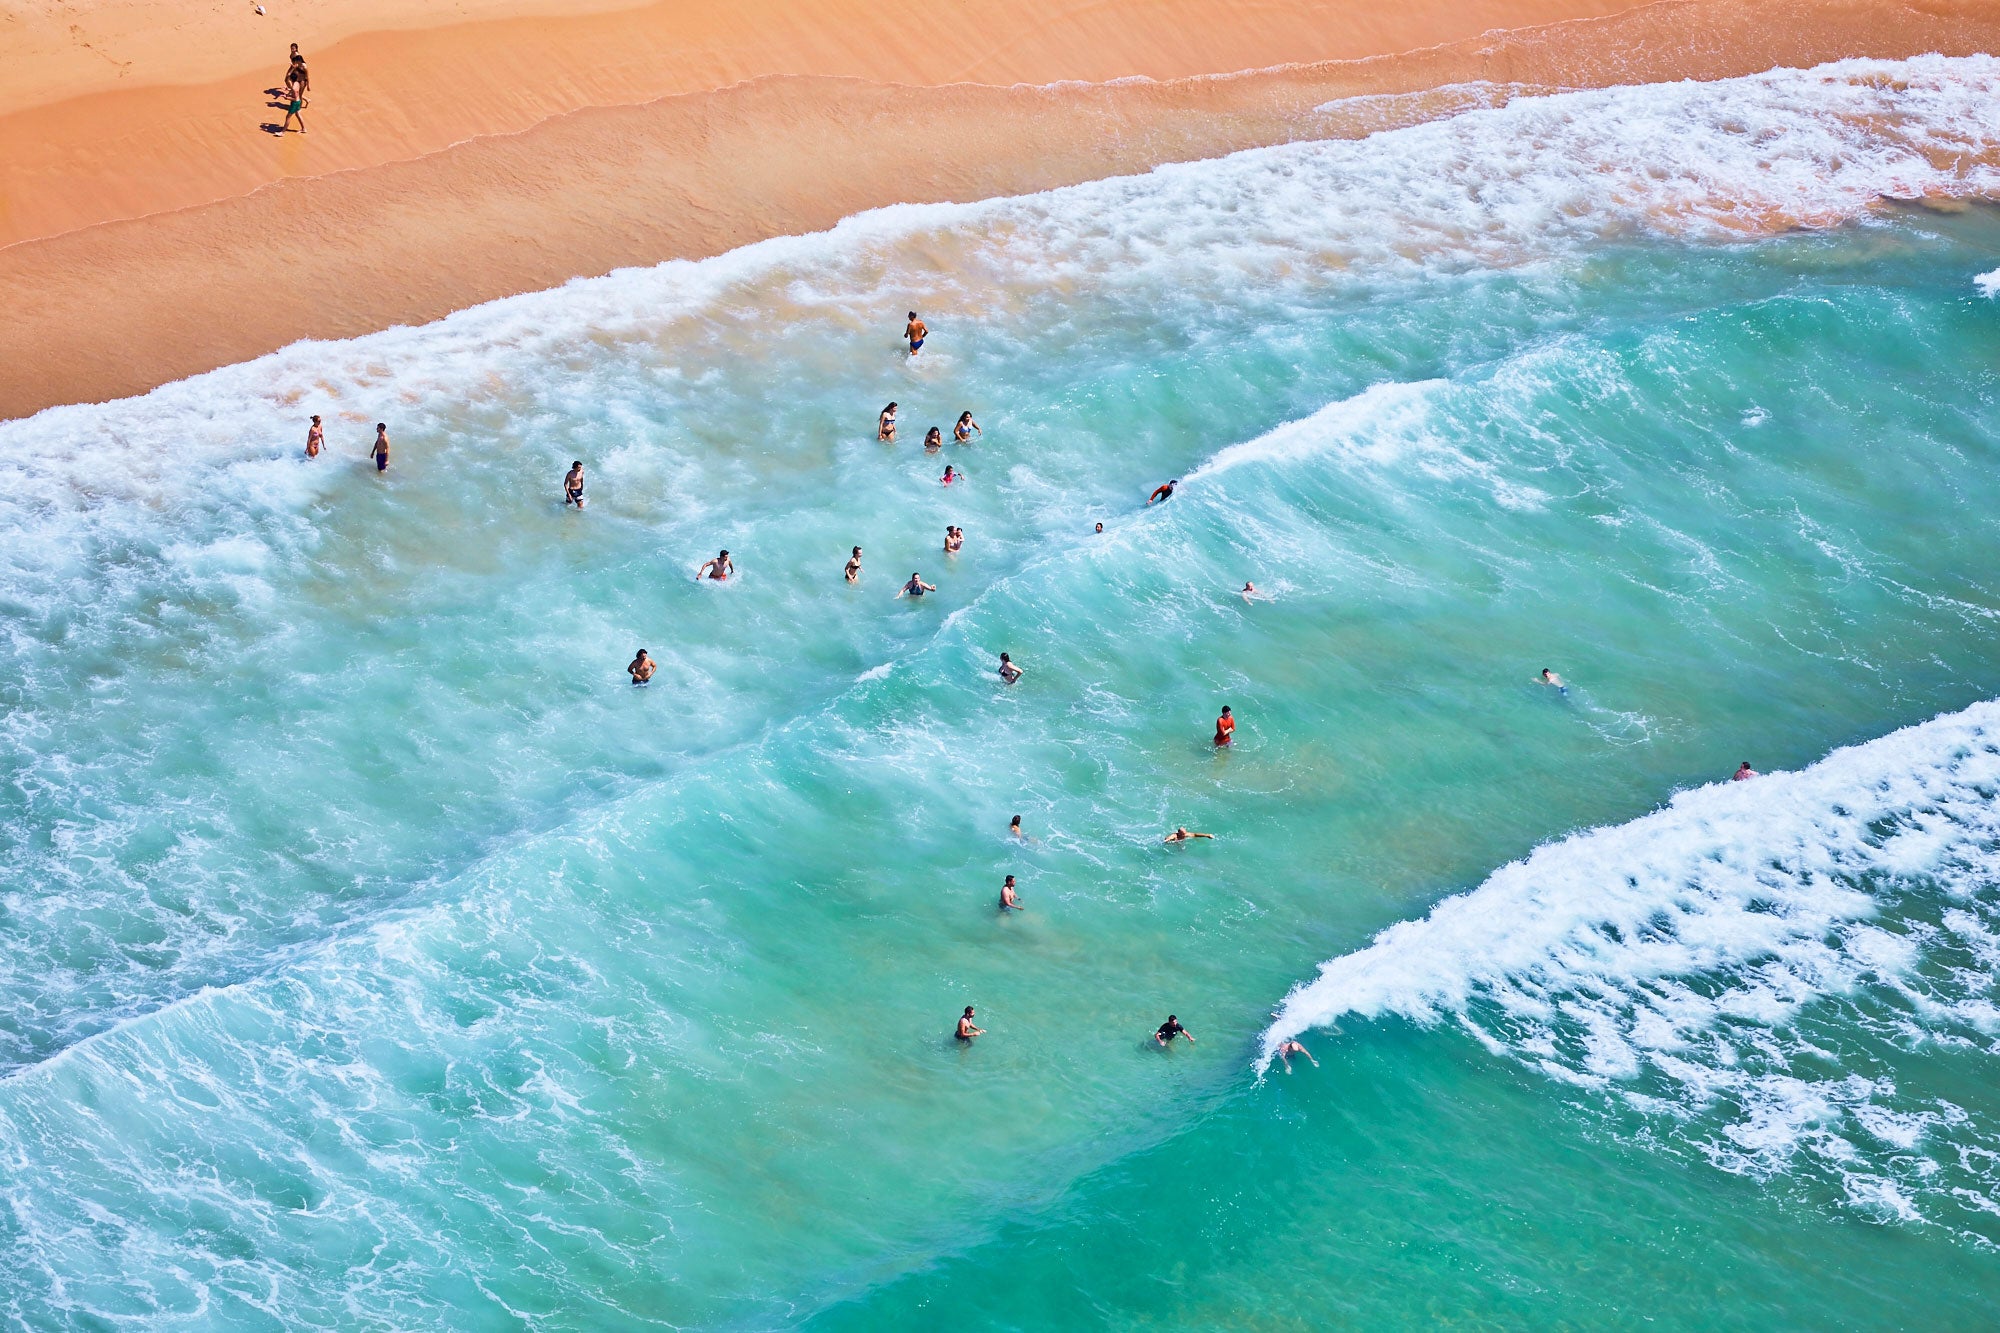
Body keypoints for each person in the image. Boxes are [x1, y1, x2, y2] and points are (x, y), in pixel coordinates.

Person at [280, 69, 308, 134]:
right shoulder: (297, 83)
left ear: (290, 79)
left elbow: (294, 98)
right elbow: (295, 91)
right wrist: (288, 89)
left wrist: (286, 98)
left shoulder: (293, 87)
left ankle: (282, 132)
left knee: (288, 117)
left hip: (295, 103)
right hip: (298, 102)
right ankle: (304, 129)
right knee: (298, 115)